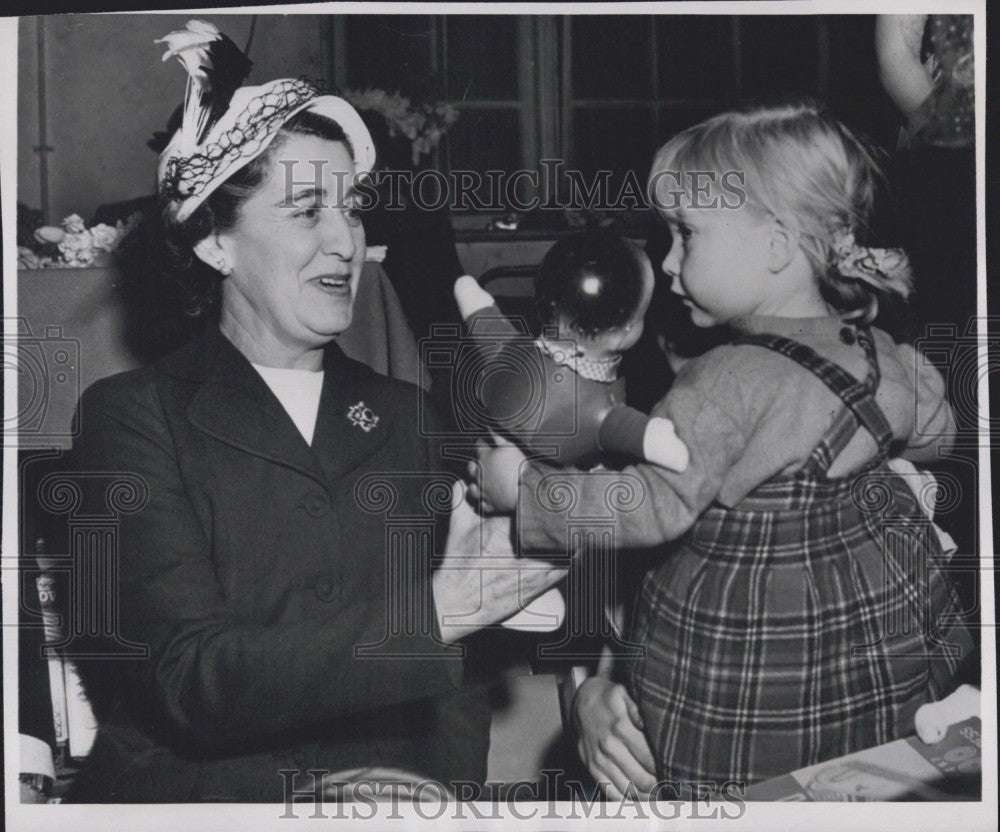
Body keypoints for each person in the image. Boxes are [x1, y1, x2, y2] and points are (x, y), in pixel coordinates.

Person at [64, 20, 565, 802]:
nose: (347, 244)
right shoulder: (132, 419)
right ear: (214, 245)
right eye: (307, 213)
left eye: (353, 209)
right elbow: (192, 680)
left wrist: (429, 793)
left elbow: (458, 690)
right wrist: (432, 613)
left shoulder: (410, 415)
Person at [472, 102, 974, 792]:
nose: (669, 262)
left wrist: (524, 492)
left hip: (757, 666)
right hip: (883, 643)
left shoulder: (724, 380)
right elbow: (939, 428)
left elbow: (651, 507)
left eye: (685, 234)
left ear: (774, 247)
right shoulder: (880, 352)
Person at [453, 230, 688, 471]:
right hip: (547, 490)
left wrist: (475, 302)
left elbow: (483, 317)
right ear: (621, 336)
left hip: (486, 461)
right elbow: (625, 428)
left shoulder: (511, 351)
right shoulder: (600, 408)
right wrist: (653, 437)